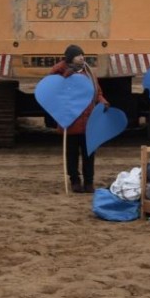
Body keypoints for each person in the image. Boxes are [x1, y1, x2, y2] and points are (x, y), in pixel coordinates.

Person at [49, 44, 109, 193]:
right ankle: (75, 180)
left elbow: (97, 91)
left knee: (89, 153)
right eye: (78, 55)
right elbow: (53, 91)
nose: (82, 57)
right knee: (72, 153)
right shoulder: (59, 73)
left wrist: (103, 102)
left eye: (83, 54)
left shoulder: (89, 73)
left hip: (89, 120)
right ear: (70, 58)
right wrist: (66, 76)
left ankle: (89, 182)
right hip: (71, 121)